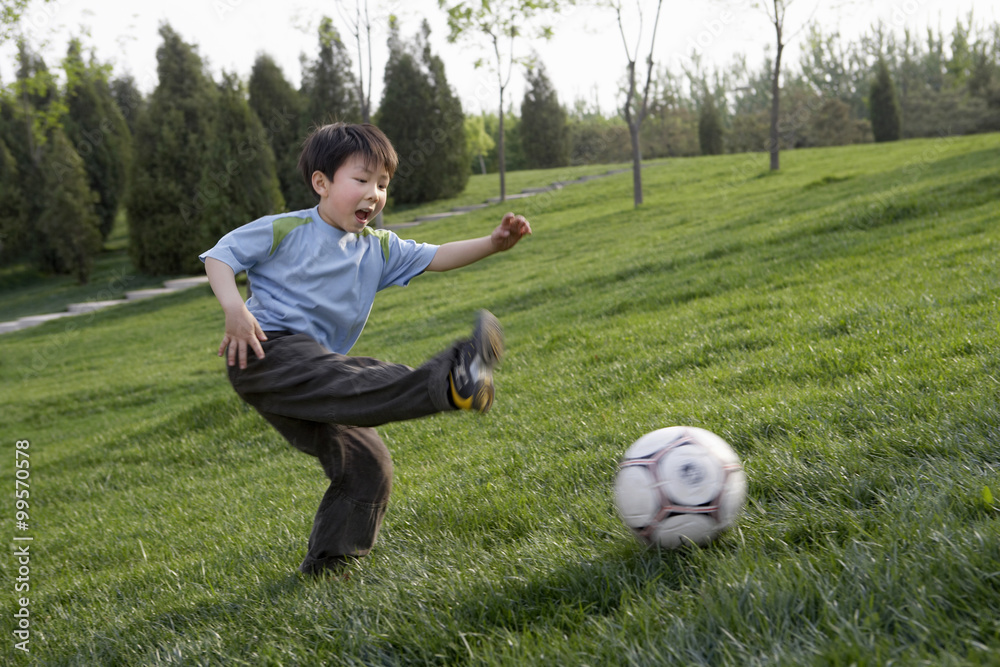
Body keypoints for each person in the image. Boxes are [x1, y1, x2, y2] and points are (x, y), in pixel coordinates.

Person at [200, 122, 532, 576]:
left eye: (382, 184)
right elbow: (220, 256)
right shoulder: (288, 229)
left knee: (366, 462)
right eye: (361, 180)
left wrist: (494, 244)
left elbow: (438, 255)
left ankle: (329, 564)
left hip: (317, 373)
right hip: (266, 354)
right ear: (321, 183)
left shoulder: (378, 248)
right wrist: (235, 309)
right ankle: (452, 378)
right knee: (354, 376)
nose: (373, 194)